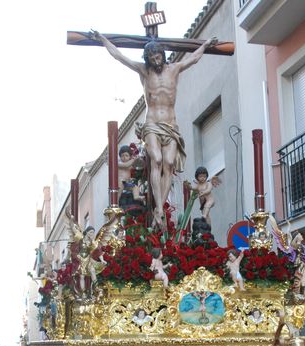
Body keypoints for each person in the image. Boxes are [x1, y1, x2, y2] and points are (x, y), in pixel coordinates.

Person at [90, 31, 217, 229]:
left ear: (162, 56)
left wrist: (206, 44)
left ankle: (159, 209)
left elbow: (193, 58)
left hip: (170, 125)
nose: (155, 61)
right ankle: (159, 207)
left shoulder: (174, 69)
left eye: (157, 57)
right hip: (151, 123)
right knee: (156, 159)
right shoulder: (144, 71)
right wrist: (103, 40)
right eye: (151, 58)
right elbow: (120, 56)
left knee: (168, 163)